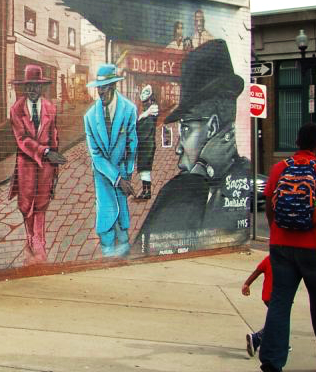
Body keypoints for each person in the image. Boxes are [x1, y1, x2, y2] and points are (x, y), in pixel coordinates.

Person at [137, 40, 251, 254]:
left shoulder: (180, 190)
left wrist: (197, 173)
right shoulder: (243, 174)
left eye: (186, 129)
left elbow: (141, 252)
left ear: (212, 127)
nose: (178, 148)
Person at [258, 122, 316, 372]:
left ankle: (271, 368)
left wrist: (278, 234)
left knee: (279, 304)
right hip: (315, 249)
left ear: (296, 142)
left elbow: (269, 210)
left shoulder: (279, 168)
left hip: (281, 247)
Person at [8, 64, 66, 261]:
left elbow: (54, 137)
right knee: (26, 205)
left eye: (35, 86)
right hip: (26, 166)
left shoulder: (50, 108)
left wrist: (55, 167)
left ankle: (39, 240)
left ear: (41, 87)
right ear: (25, 88)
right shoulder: (16, 109)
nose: (32, 90)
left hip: (46, 168)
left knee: (41, 203)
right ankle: (30, 235)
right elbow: (22, 139)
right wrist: (45, 151)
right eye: (29, 86)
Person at [83, 64, 137, 256]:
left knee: (122, 221)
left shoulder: (129, 110)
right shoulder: (89, 117)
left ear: (113, 86)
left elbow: (132, 144)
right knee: (105, 217)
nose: (100, 92)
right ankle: (107, 251)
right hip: (103, 177)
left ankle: (123, 248)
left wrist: (128, 174)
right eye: (98, 87)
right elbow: (96, 156)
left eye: (104, 87)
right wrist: (118, 179)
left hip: (122, 171)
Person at [241, 254, 272, 357]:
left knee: (277, 319)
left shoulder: (269, 258)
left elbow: (257, 271)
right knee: (279, 320)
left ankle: (280, 342)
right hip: (277, 297)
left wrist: (246, 284)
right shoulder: (285, 260)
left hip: (267, 296)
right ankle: (256, 338)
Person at [135, 84, 159, 200]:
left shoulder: (152, 110)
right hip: (144, 143)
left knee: (145, 168)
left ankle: (147, 192)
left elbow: (142, 124)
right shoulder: (148, 111)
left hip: (147, 143)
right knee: (143, 169)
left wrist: (141, 117)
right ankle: (145, 191)